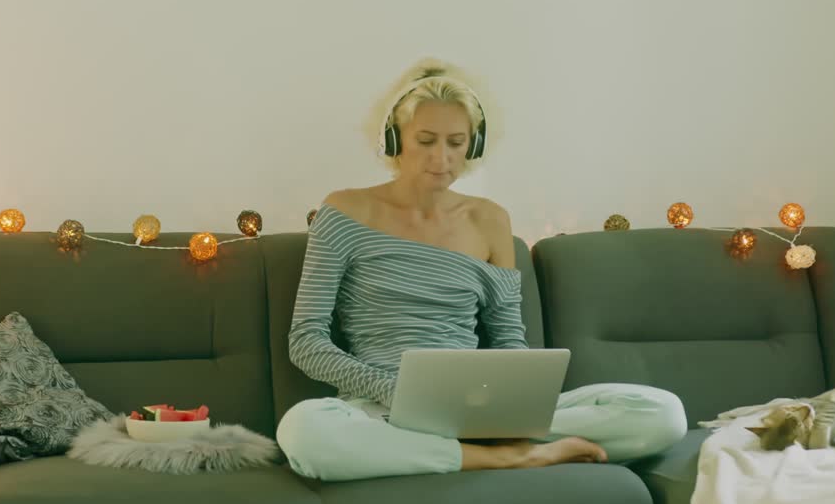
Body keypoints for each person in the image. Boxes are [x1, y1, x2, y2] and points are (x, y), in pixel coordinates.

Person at [276, 60, 686, 482]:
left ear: (473, 146)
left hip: (475, 410)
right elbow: (306, 341)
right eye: (426, 140)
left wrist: (515, 408)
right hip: (381, 410)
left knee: (662, 413)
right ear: (395, 140)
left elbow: (509, 338)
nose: (442, 157)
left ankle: (471, 446)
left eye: (456, 142)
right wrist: (393, 391)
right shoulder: (345, 211)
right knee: (305, 433)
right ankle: (506, 458)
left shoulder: (490, 220)